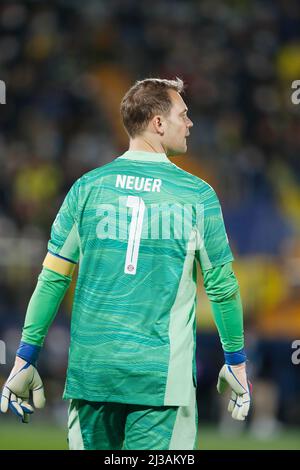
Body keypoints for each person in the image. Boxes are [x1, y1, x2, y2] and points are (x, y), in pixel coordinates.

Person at [0, 78, 251, 450]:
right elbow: (222, 286)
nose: (191, 123)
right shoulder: (197, 195)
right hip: (160, 381)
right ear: (158, 123)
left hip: (92, 376)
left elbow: (52, 278)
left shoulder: (86, 188)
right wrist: (236, 360)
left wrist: (24, 356)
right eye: (184, 114)